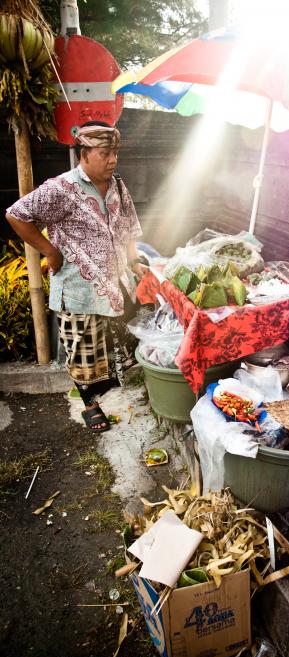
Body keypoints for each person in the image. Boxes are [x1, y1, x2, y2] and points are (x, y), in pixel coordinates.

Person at [6, 121, 148, 432]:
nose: (112, 160)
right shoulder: (60, 188)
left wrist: (136, 263)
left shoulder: (118, 187)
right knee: (82, 347)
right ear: (84, 153)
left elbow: (129, 229)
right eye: (105, 153)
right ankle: (90, 404)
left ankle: (111, 388)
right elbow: (16, 214)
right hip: (77, 287)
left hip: (114, 283)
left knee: (114, 343)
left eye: (115, 153)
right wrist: (49, 251)